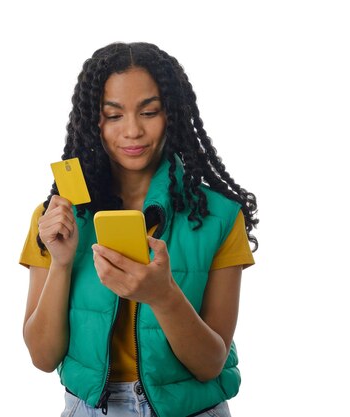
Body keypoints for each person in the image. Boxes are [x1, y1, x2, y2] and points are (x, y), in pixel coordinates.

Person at [19, 42, 258, 417]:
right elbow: (42, 357)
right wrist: (62, 263)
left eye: (149, 112)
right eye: (113, 115)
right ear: (91, 121)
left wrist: (163, 296)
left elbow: (210, 363)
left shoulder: (220, 217)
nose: (132, 130)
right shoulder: (56, 219)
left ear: (173, 115)